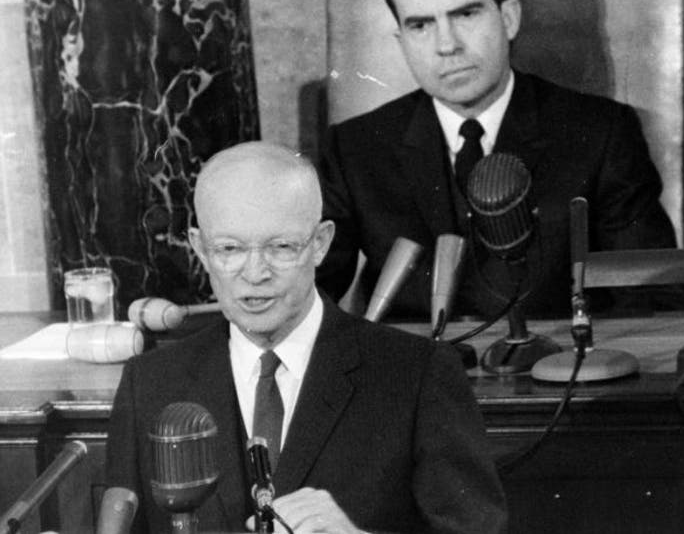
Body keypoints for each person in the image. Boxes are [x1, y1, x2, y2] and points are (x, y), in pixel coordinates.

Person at [106, 142, 507, 533]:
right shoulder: (150, 384)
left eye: (280, 247)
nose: (255, 273)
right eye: (229, 248)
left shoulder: (417, 374)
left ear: (321, 243)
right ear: (200, 247)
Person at [317, 0, 684, 321]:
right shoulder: (354, 148)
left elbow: (658, 295)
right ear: (401, 41)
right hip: (408, 377)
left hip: (558, 374)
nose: (447, 45)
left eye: (465, 14)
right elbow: (307, 299)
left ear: (509, 18)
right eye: (421, 25)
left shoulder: (601, 132)